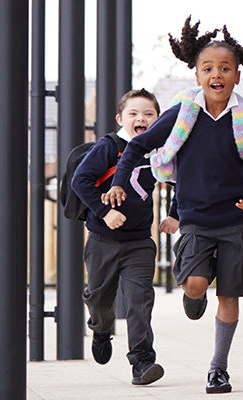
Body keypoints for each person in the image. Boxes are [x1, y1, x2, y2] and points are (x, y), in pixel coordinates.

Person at [102, 17, 243, 394]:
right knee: (196, 285)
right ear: (197, 77)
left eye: (225, 69)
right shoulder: (183, 115)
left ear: (237, 76)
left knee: (228, 296)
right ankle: (193, 294)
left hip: (234, 218)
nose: (217, 74)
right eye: (208, 69)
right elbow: (136, 146)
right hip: (195, 219)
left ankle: (218, 369)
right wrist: (118, 182)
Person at [72, 89, 167, 385]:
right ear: (120, 119)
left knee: (140, 301)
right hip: (103, 240)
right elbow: (80, 181)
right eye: (134, 114)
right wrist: (104, 211)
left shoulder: (159, 150)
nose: (141, 118)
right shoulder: (108, 147)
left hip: (139, 242)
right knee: (99, 299)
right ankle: (101, 329)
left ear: (158, 119)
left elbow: (180, 179)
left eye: (149, 114)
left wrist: (176, 213)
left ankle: (142, 362)